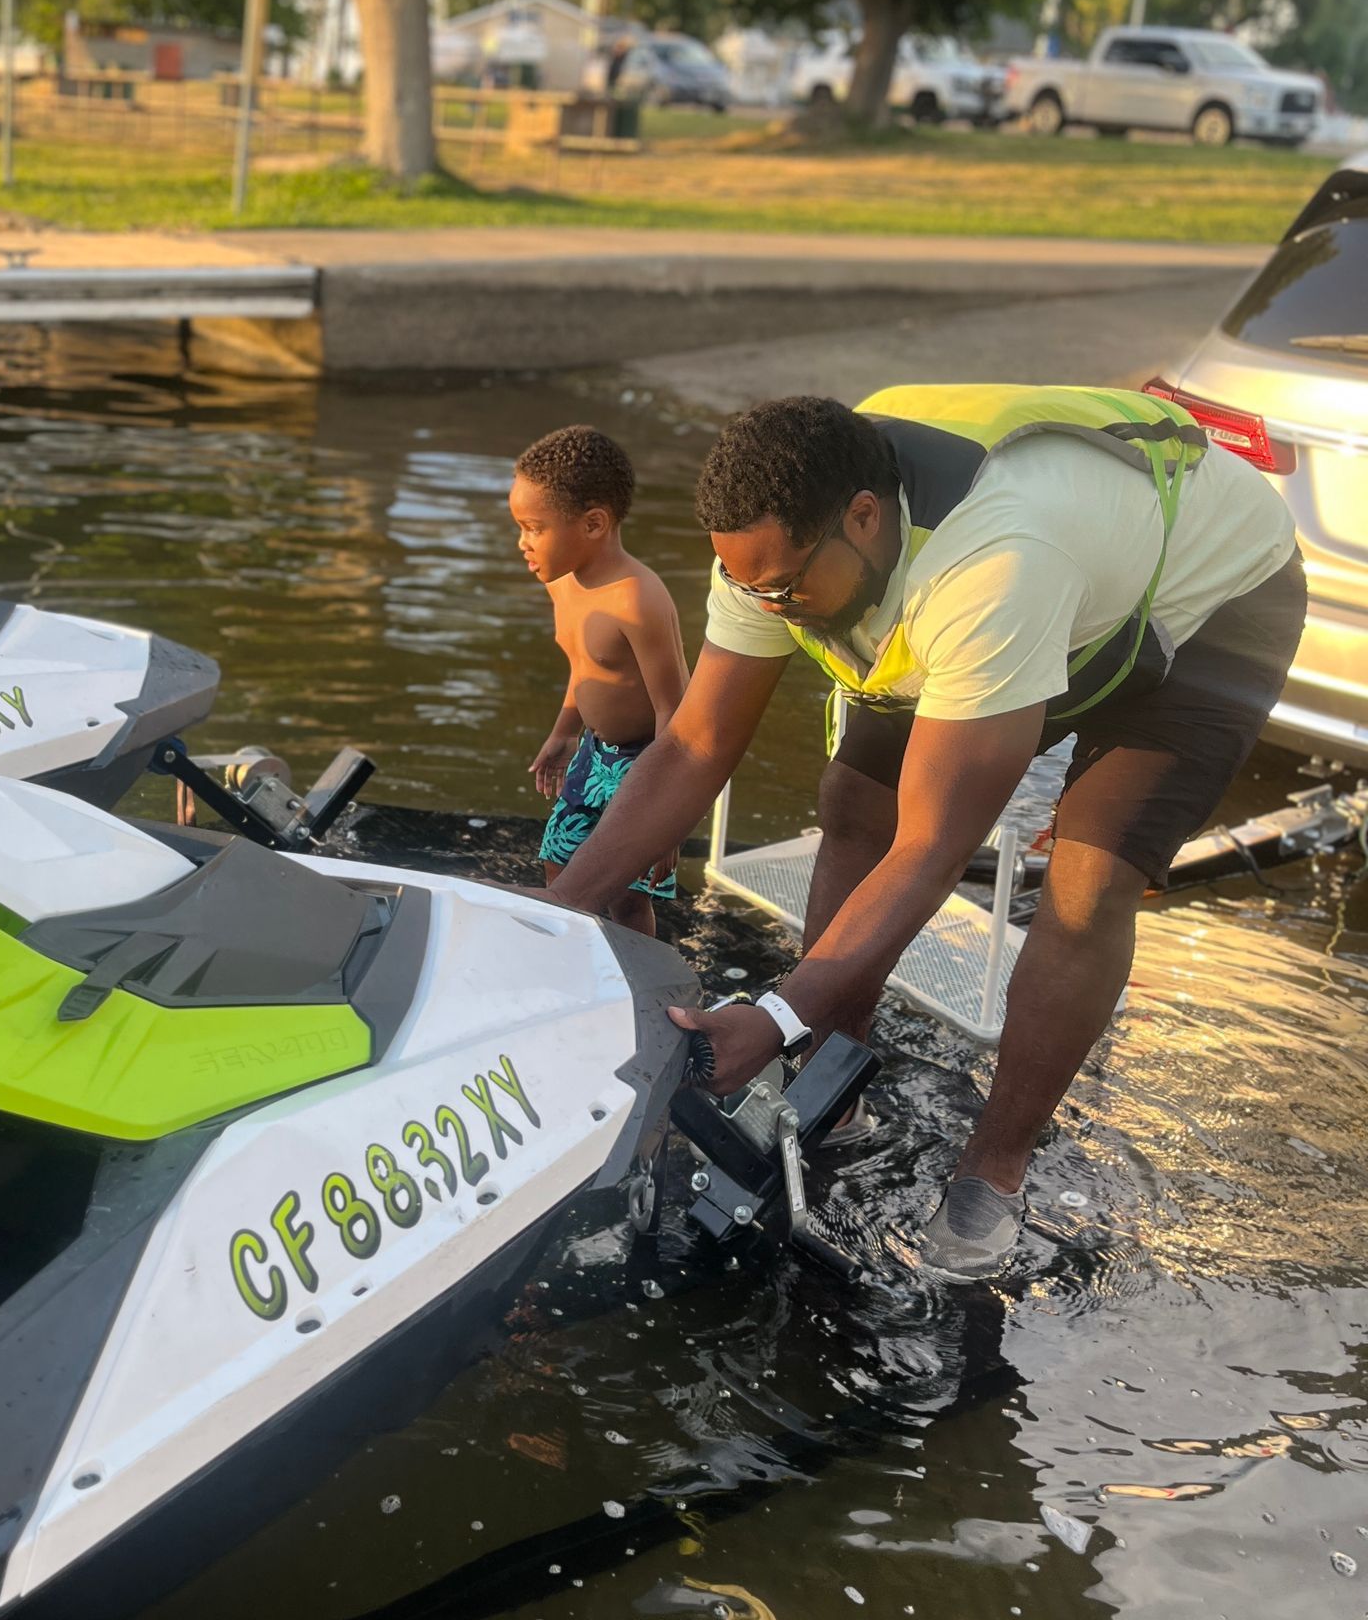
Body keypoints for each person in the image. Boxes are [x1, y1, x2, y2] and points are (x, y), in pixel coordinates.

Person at [542, 385, 1304, 1276]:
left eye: (784, 589)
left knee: (1088, 882)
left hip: (1203, 611)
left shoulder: (992, 568)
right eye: (749, 587)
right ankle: (831, 1086)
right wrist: (555, 911)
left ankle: (993, 1177)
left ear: (863, 520)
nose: (769, 606)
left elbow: (935, 845)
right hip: (1049, 578)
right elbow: (697, 744)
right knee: (854, 803)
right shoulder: (771, 544)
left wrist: (777, 1011)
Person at [511, 424, 690, 937]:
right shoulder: (563, 584)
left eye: (534, 527)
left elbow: (673, 711)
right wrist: (564, 731)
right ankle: (578, 970)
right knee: (558, 870)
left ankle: (635, 989)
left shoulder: (637, 599)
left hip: (645, 764)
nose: (522, 542)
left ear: (592, 523)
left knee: (628, 900)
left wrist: (668, 817)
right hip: (594, 753)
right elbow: (586, 667)